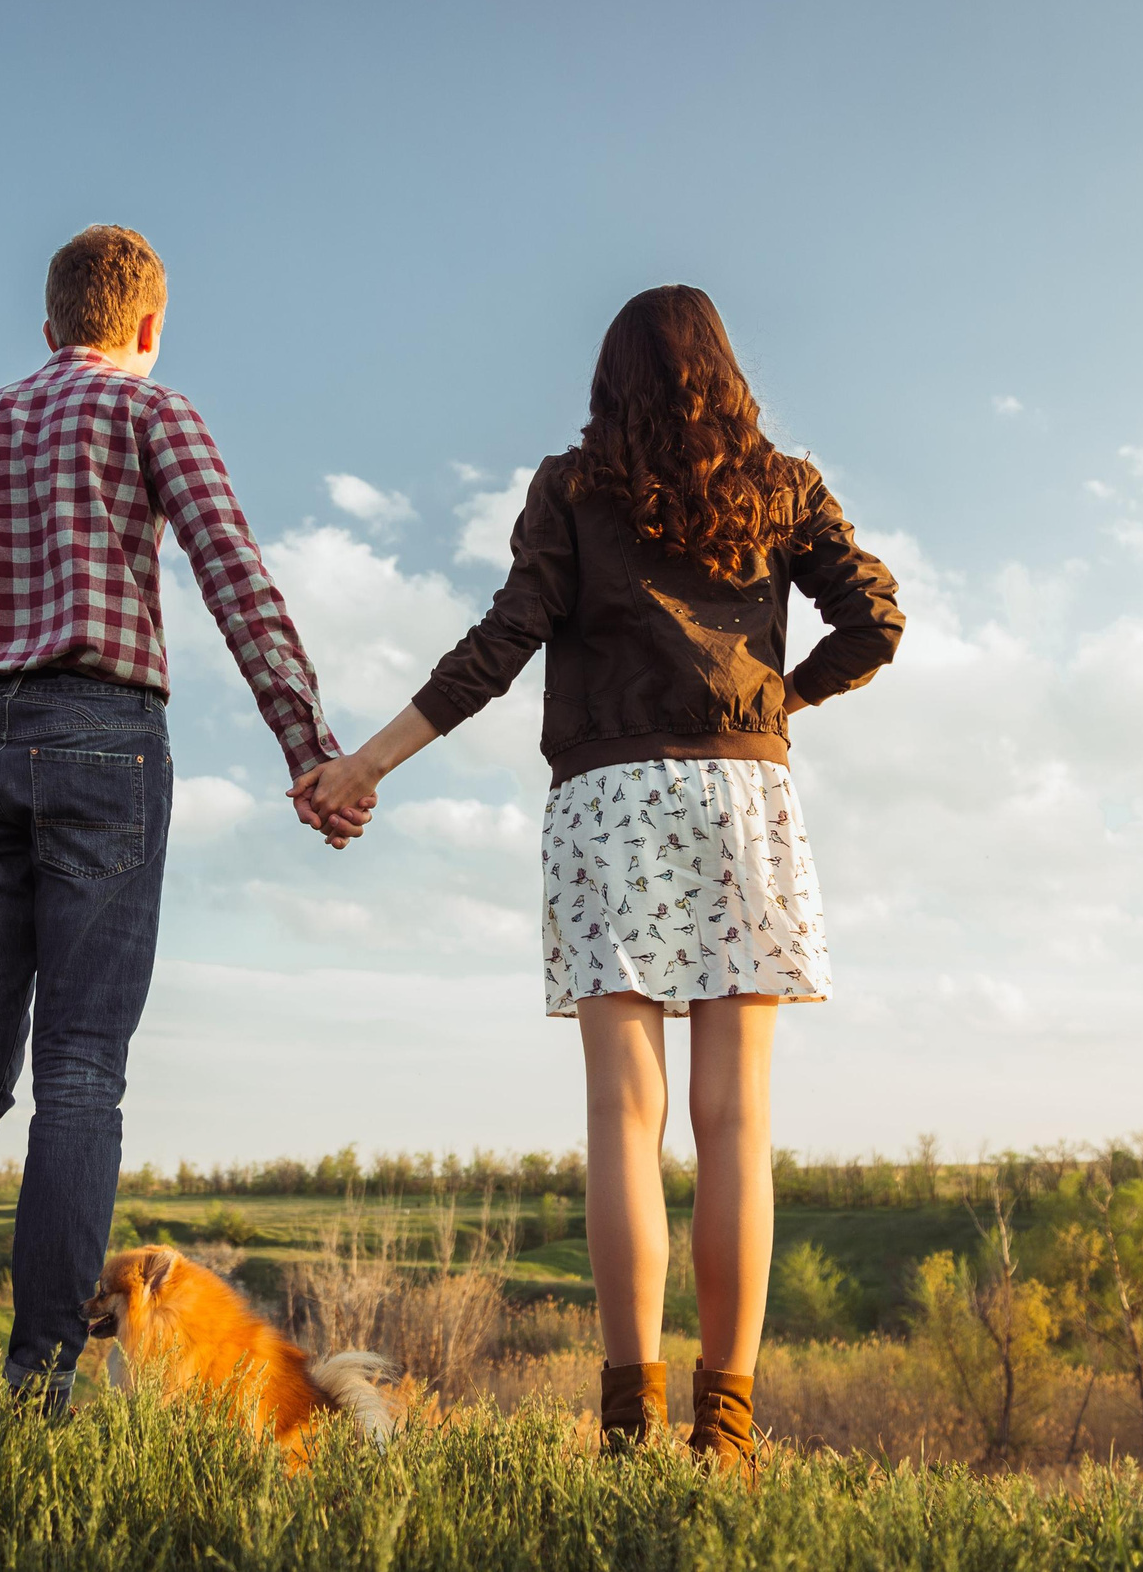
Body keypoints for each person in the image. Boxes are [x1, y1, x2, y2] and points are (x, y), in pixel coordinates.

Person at [295, 285, 902, 1467]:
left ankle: (627, 1428)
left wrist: (365, 762)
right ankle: (725, 1433)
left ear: (608, 379)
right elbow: (873, 620)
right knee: (737, 1123)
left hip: (608, 799)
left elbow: (502, 641)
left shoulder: (571, 487)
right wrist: (778, 697)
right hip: (742, 795)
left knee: (624, 1117)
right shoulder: (785, 485)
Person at [0, 225, 367, 1414]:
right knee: (80, 1073)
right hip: (104, 738)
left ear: (48, 324)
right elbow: (234, 575)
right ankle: (42, 1381)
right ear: (148, 325)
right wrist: (308, 748)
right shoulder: (153, 412)